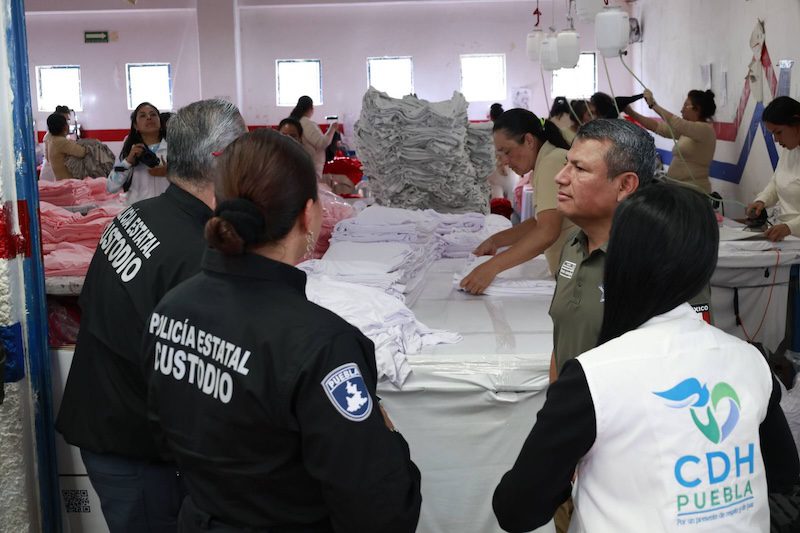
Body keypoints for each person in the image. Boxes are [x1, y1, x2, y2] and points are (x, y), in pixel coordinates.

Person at [142, 128, 422, 532]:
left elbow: (163, 435)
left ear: (219, 203)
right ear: (308, 214)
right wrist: (388, 436)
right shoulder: (321, 345)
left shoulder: (171, 309)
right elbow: (380, 513)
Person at [493, 183, 799, 533]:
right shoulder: (751, 362)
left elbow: (517, 511)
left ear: (619, 262)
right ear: (705, 266)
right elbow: (784, 476)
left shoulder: (594, 377)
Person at [56, 99, 247, 533]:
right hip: (135, 447)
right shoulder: (197, 252)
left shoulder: (138, 216)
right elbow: (201, 377)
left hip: (108, 420)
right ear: (223, 159)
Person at [545, 119, 713, 532]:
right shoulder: (572, 247)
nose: (560, 177)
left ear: (625, 185)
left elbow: (694, 365)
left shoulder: (665, 262)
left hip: (635, 468)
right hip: (574, 449)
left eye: (579, 168)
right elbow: (564, 340)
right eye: (566, 164)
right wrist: (557, 430)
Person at [460, 109, 573, 293]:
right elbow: (540, 221)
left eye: (507, 152)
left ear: (529, 140)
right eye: (500, 155)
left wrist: (492, 267)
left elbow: (547, 231)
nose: (504, 161)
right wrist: (496, 241)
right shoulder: (545, 162)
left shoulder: (551, 161)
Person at [625, 88, 717, 193]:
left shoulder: (705, 130)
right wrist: (630, 112)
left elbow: (677, 122)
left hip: (694, 192)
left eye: (685, 105)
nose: (681, 110)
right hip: (678, 189)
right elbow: (657, 127)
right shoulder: (688, 131)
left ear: (697, 108)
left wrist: (653, 105)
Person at [746, 96, 800, 242]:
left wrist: (790, 227)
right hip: (788, 238)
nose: (776, 140)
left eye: (779, 132)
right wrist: (762, 201)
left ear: (797, 123)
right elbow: (777, 182)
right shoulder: (790, 149)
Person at [107, 102, 170, 204]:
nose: (149, 117)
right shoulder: (128, 149)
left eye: (153, 114)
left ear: (160, 122)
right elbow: (111, 187)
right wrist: (128, 162)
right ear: (135, 125)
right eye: (143, 116)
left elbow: (190, 182)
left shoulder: (174, 147)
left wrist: (170, 172)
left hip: (167, 207)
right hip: (139, 208)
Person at [289, 95, 338, 178]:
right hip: (311, 166)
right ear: (310, 108)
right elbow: (322, 143)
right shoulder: (306, 123)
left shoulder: (296, 121)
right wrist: (332, 128)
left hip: (302, 165)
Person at [44, 112, 87, 180]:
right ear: (64, 126)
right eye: (67, 122)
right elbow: (82, 152)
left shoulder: (51, 139)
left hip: (59, 179)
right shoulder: (61, 141)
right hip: (67, 181)